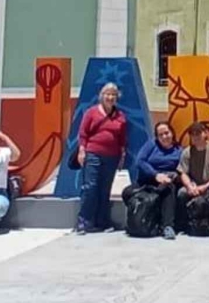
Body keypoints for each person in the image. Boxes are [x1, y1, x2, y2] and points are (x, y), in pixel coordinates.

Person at [75, 82, 129, 234]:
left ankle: (102, 221)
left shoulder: (120, 117)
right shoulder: (91, 113)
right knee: (90, 187)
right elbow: (83, 134)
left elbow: (122, 139)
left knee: (105, 190)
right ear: (101, 96)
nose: (110, 97)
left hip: (112, 156)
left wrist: (122, 156)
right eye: (108, 94)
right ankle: (83, 221)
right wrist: (82, 151)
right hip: (93, 154)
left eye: (113, 94)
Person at [134, 121, 183, 239]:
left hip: (167, 181)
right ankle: (137, 222)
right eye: (160, 135)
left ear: (172, 133)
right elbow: (140, 161)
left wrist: (172, 175)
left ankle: (168, 226)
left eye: (166, 133)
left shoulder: (179, 150)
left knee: (169, 189)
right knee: (127, 192)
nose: (164, 137)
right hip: (148, 179)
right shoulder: (151, 145)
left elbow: (182, 169)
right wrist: (155, 175)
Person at [177, 122, 209, 234]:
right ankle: (184, 225)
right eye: (193, 134)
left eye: (198, 133)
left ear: (205, 133)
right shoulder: (187, 152)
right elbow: (183, 173)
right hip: (194, 185)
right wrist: (189, 185)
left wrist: (205, 186)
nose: (196, 136)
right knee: (181, 193)